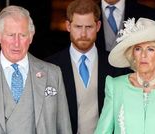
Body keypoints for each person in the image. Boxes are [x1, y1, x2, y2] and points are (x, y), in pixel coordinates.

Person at [94, 18, 155, 134]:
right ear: (132, 54)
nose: (143, 55)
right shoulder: (115, 86)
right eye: (138, 49)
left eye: (150, 49)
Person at [0, 5, 72, 134]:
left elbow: (64, 128)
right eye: (11, 35)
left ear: (31, 37)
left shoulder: (53, 74)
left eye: (22, 35)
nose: (16, 43)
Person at [45, 0, 126, 133]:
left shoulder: (115, 65)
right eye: (78, 27)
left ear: (98, 26)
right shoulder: (50, 66)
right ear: (68, 26)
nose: (83, 34)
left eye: (89, 27)